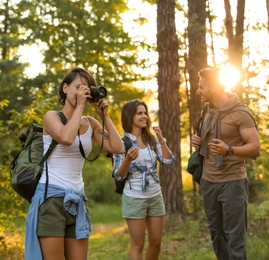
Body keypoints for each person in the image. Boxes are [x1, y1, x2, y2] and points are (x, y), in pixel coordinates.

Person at [24, 67, 124, 260]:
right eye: (78, 87)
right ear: (65, 88)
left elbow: (117, 148)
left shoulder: (91, 123)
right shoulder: (51, 117)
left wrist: (104, 116)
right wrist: (79, 107)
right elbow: (67, 138)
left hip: (77, 200)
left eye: (87, 89)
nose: (82, 92)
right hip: (51, 198)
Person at [190, 67, 261, 260]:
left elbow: (255, 147)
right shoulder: (207, 110)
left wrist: (229, 150)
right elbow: (209, 139)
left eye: (202, 86)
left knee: (235, 239)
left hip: (233, 184)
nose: (198, 90)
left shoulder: (240, 114)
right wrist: (199, 140)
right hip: (208, 182)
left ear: (214, 87)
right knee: (217, 237)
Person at [112, 99, 174, 260]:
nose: (144, 116)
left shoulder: (151, 140)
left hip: (155, 196)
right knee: (137, 245)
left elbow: (168, 162)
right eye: (139, 113)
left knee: (156, 242)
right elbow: (118, 175)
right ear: (129, 116)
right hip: (135, 198)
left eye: (145, 112)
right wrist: (127, 160)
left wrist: (161, 139)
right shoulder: (121, 143)